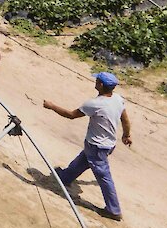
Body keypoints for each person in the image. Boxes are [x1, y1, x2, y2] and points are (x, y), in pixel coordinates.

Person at [44, 72, 132, 220]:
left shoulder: (94, 104)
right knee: (83, 160)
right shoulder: (118, 99)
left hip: (97, 146)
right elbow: (125, 119)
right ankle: (64, 177)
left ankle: (114, 210)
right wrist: (126, 135)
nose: (95, 82)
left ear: (101, 85)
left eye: (97, 80)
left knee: (104, 177)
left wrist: (51, 106)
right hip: (108, 144)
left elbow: (71, 115)